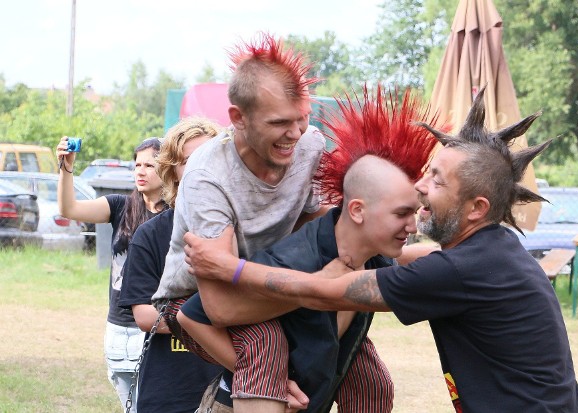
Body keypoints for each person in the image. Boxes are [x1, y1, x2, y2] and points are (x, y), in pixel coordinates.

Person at [184, 88, 578, 413]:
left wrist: (229, 267)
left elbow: (324, 292)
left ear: (477, 209)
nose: (422, 187)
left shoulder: (459, 270)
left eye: (438, 181)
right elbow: (414, 260)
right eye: (428, 173)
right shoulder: (493, 252)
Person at [177, 86, 441, 413]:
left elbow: (408, 265)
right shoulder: (296, 258)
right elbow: (196, 314)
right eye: (402, 214)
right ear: (357, 210)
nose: (413, 227)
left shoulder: (374, 254)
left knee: (373, 384)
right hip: (235, 369)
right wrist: (273, 383)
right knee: (265, 350)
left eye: (413, 213)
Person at [151, 32, 328, 413]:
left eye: (303, 118)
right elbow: (219, 307)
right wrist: (313, 292)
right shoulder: (207, 175)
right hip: (193, 298)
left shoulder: (311, 145)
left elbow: (312, 231)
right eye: (281, 122)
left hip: (268, 281)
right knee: (264, 346)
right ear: (238, 118)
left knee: (369, 375)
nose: (296, 134)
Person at [118, 118, 225, 413]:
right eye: (189, 161)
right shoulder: (150, 235)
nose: (201, 169)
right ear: (172, 171)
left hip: (232, 388)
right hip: (170, 390)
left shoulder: (244, 231)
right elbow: (144, 315)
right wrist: (218, 314)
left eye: (210, 158)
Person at [57, 136, 167, 412]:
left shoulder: (178, 215)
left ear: (167, 168)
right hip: (118, 328)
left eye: (149, 165)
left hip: (157, 328)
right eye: (137, 164)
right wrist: (66, 168)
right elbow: (69, 209)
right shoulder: (121, 206)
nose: (140, 171)